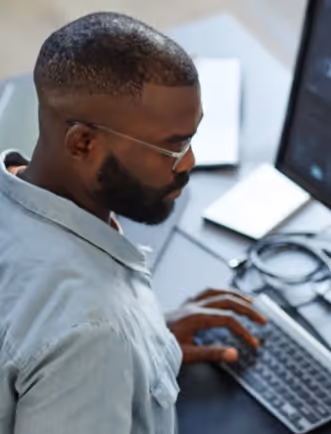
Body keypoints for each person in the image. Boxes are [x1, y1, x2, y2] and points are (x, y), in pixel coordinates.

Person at [0, 12, 267, 434]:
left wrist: (149, 344)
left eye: (192, 137)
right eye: (173, 148)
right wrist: (113, 350)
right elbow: (76, 335)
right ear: (83, 142)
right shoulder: (94, 336)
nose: (190, 164)